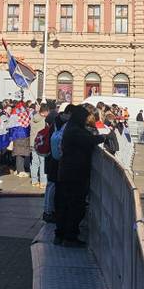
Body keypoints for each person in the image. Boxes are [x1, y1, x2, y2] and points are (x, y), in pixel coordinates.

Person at [55, 105, 104, 247]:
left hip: (67, 172)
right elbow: (89, 140)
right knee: (75, 205)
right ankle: (70, 237)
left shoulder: (70, 127)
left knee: (64, 204)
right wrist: (103, 137)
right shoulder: (75, 130)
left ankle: (61, 234)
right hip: (75, 173)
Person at [29, 103, 48, 189]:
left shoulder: (33, 117)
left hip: (33, 143)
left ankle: (34, 180)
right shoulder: (43, 120)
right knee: (42, 163)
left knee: (34, 162)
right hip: (40, 143)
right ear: (45, 112)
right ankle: (43, 182)